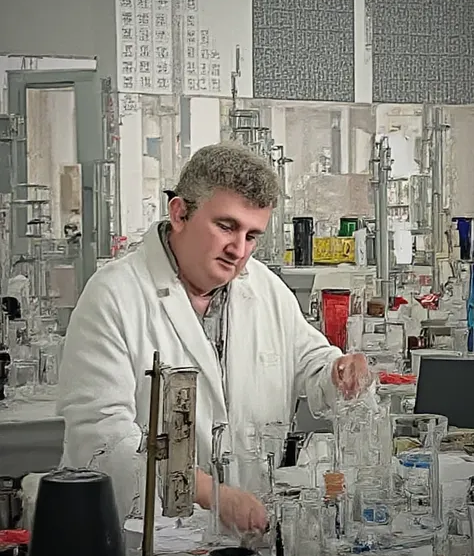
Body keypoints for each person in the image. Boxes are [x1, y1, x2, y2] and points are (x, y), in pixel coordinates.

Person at [57, 143, 370, 531]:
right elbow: (99, 445)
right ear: (180, 213)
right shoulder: (114, 295)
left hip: (244, 534)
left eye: (252, 235)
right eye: (226, 226)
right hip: (139, 539)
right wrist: (208, 492)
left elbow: (311, 360)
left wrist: (339, 371)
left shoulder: (265, 289)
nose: (238, 250)